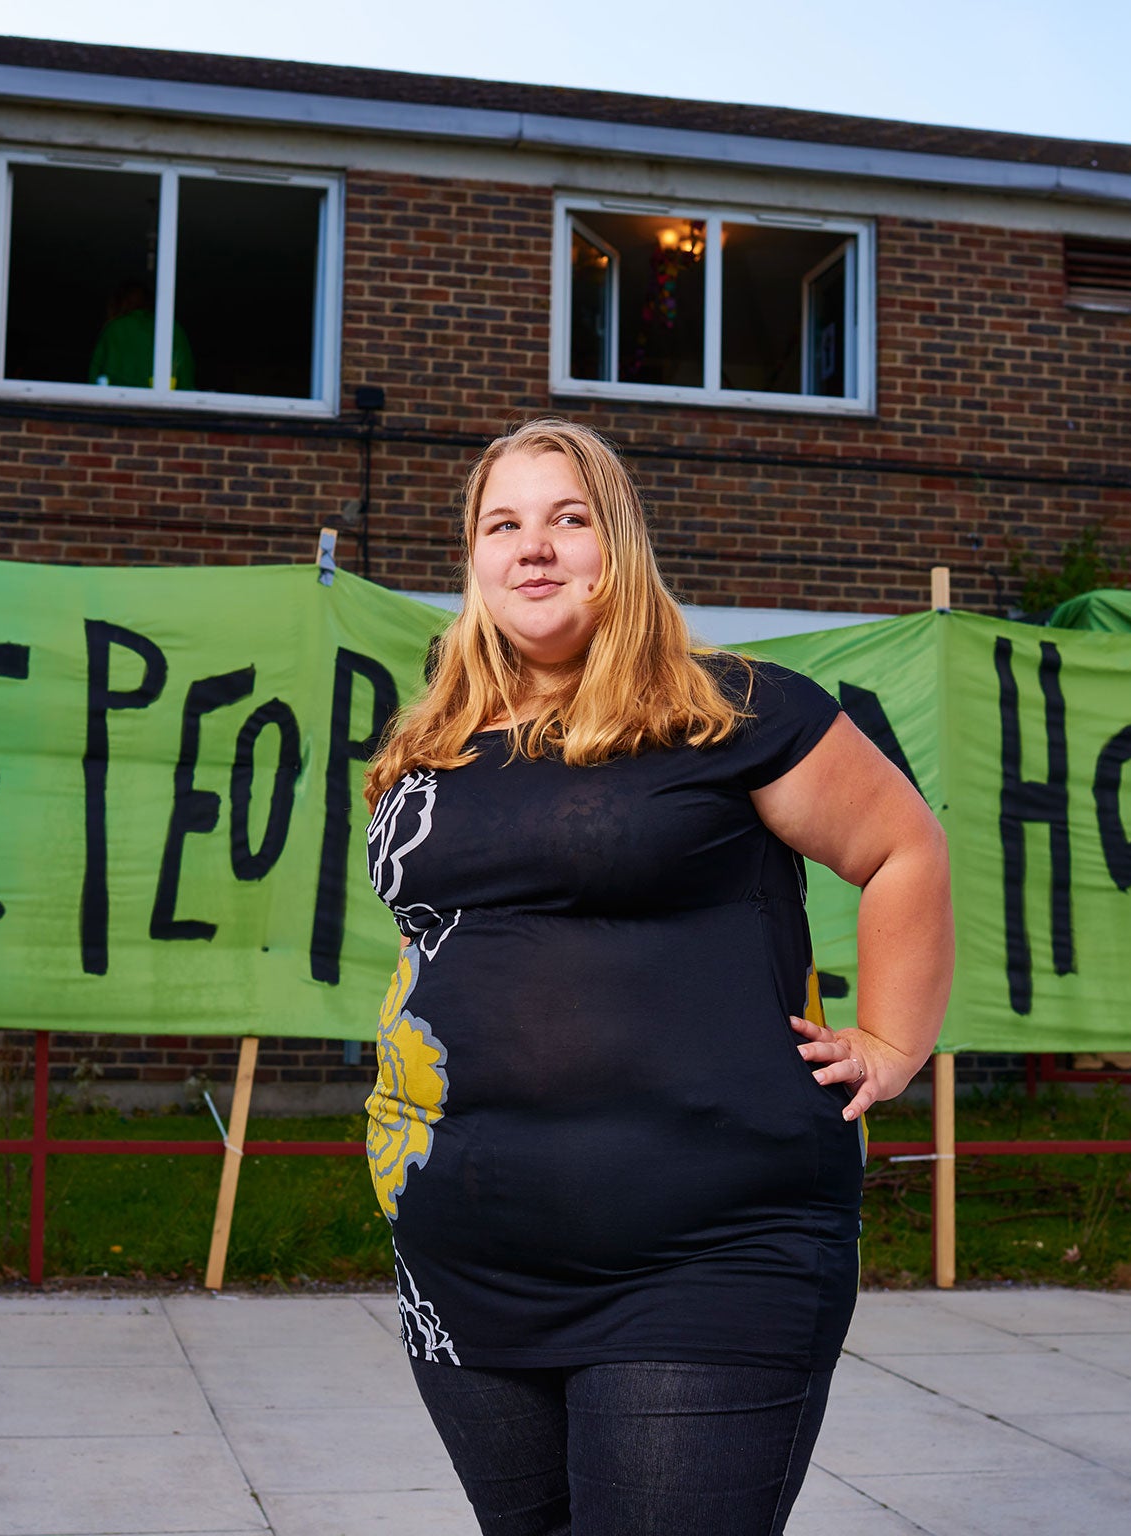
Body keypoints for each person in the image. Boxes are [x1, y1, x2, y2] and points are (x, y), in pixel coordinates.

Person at [360, 417, 953, 1536]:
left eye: (566, 519)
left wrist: (890, 1040)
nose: (532, 547)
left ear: (616, 546)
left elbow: (901, 849)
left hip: (707, 1257)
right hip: (464, 1263)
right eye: (503, 524)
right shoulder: (423, 748)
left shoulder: (727, 708)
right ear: (473, 560)